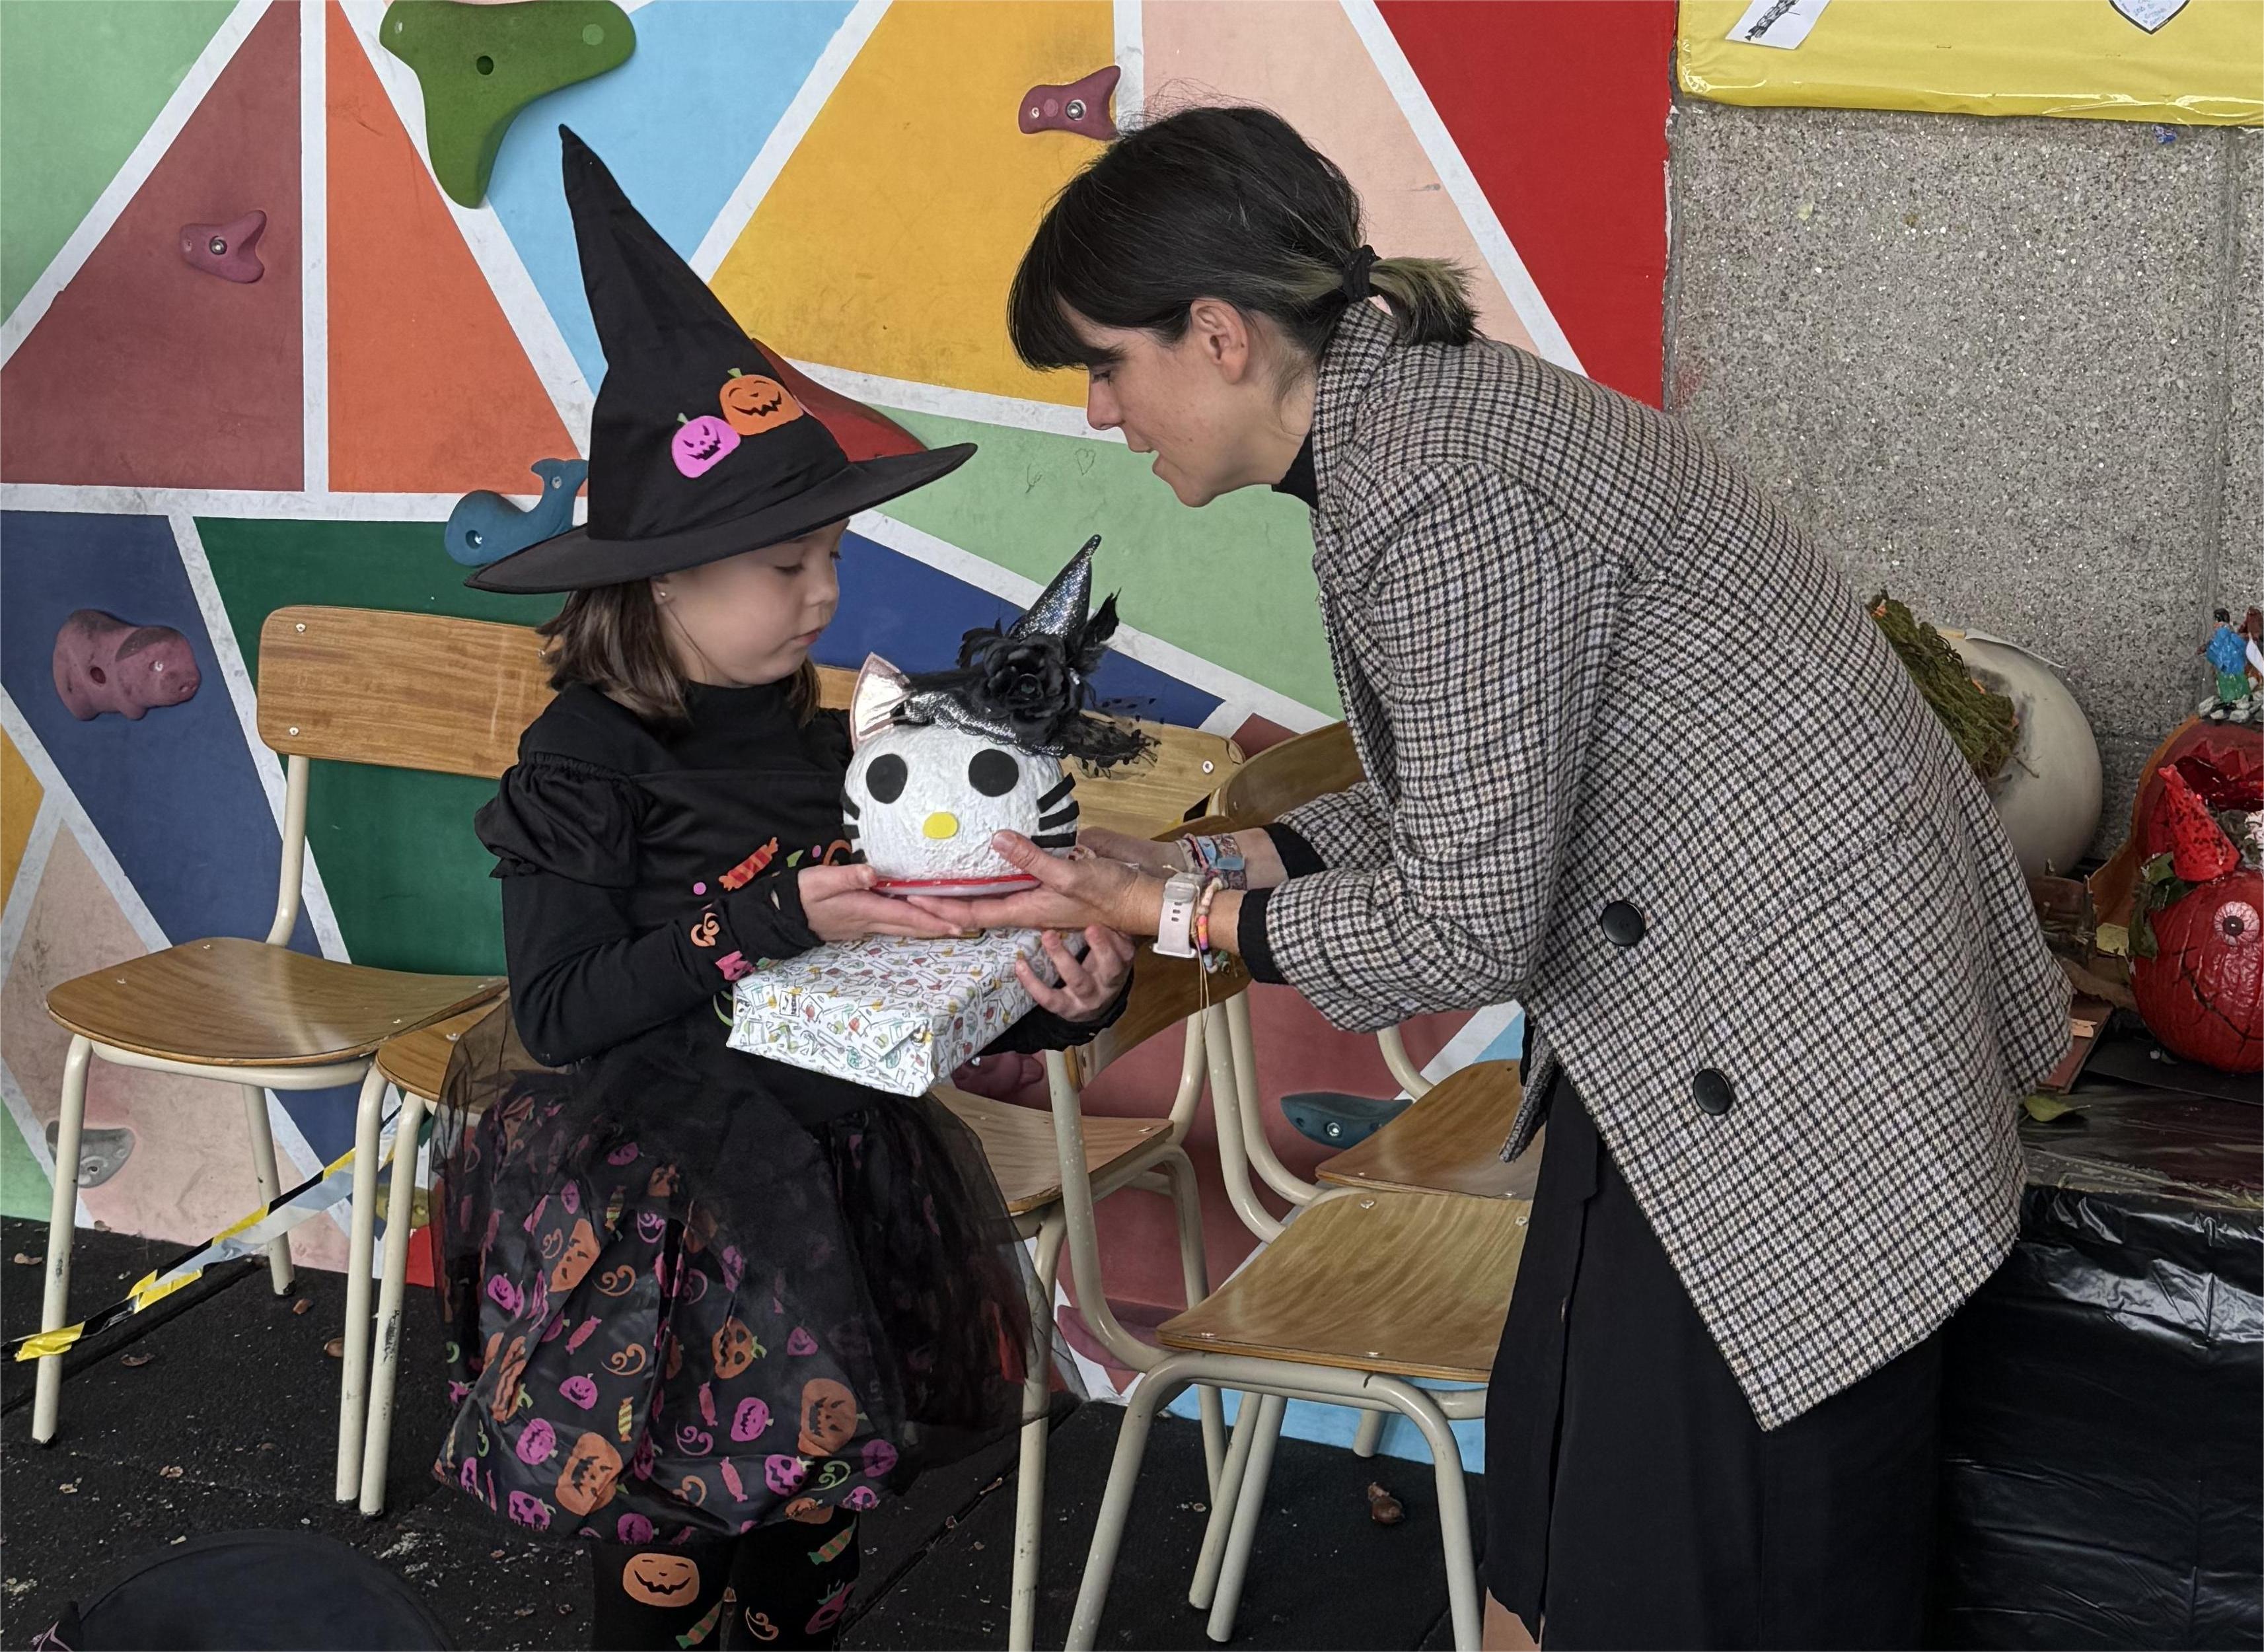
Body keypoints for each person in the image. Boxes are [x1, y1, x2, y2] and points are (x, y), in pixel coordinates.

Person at [928, 106, 2071, 1649]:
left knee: (1697, 1581)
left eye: (1103, 365)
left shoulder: (1438, 489)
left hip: (1790, 1059)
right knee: (1554, 1527)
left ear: (1218, 336)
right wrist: (1180, 865)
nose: (1096, 412)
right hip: (1710, 1027)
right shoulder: (1415, 420)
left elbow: (1464, 918)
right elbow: (1458, 803)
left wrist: (1178, 914)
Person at [429, 130, 1133, 1651]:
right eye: (787, 567)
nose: (825, 595)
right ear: (663, 577)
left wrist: (1059, 994)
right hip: (664, 1220)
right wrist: (768, 920)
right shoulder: (584, 760)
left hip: (837, 1182)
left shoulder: (828, 737)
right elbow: (560, 1010)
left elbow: (913, 953)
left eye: (831, 556)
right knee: (675, 1543)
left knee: (814, 1525)